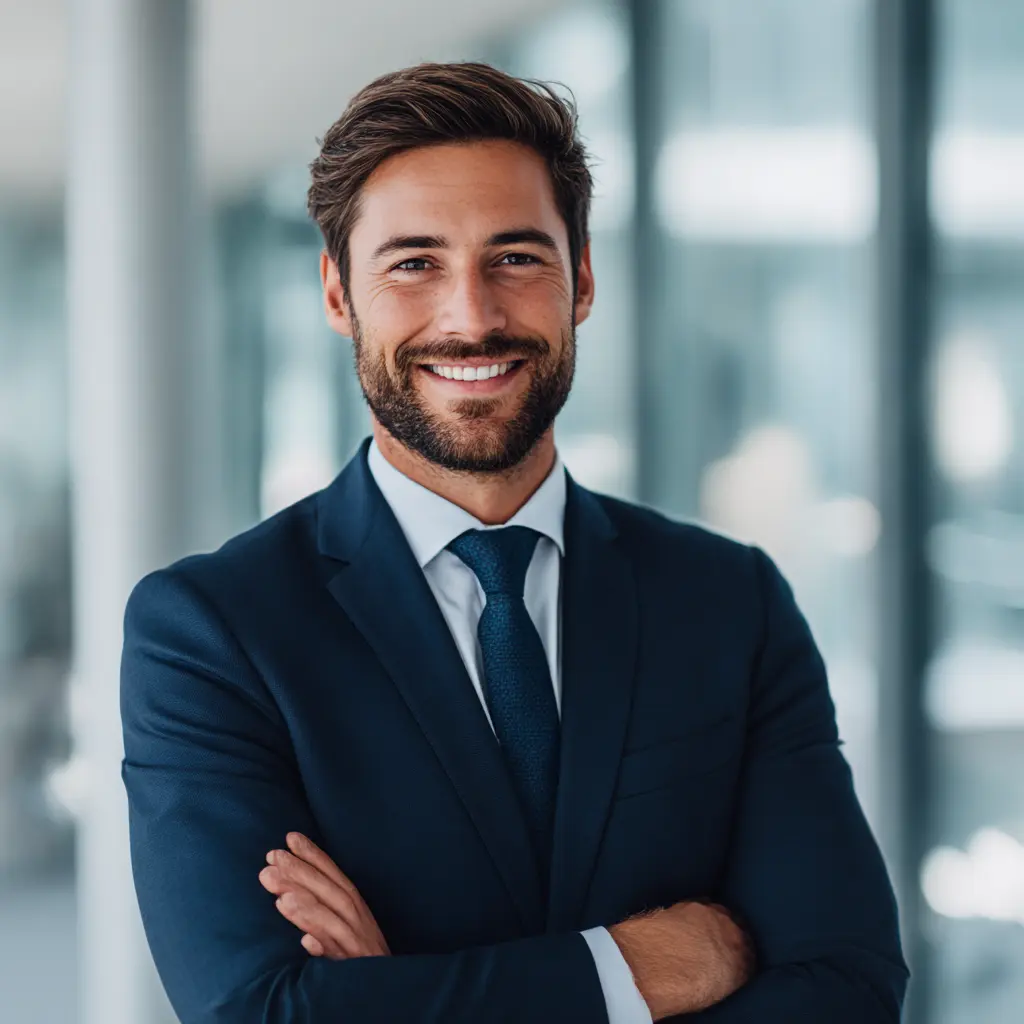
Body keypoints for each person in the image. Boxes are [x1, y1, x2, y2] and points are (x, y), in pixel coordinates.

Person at [120, 62, 908, 1023]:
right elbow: (265, 1010)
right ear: (338, 294)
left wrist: (391, 995)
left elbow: (847, 986)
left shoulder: (730, 602)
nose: (472, 315)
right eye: (414, 263)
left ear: (580, 280)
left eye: (516, 257)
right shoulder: (213, 630)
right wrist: (637, 969)